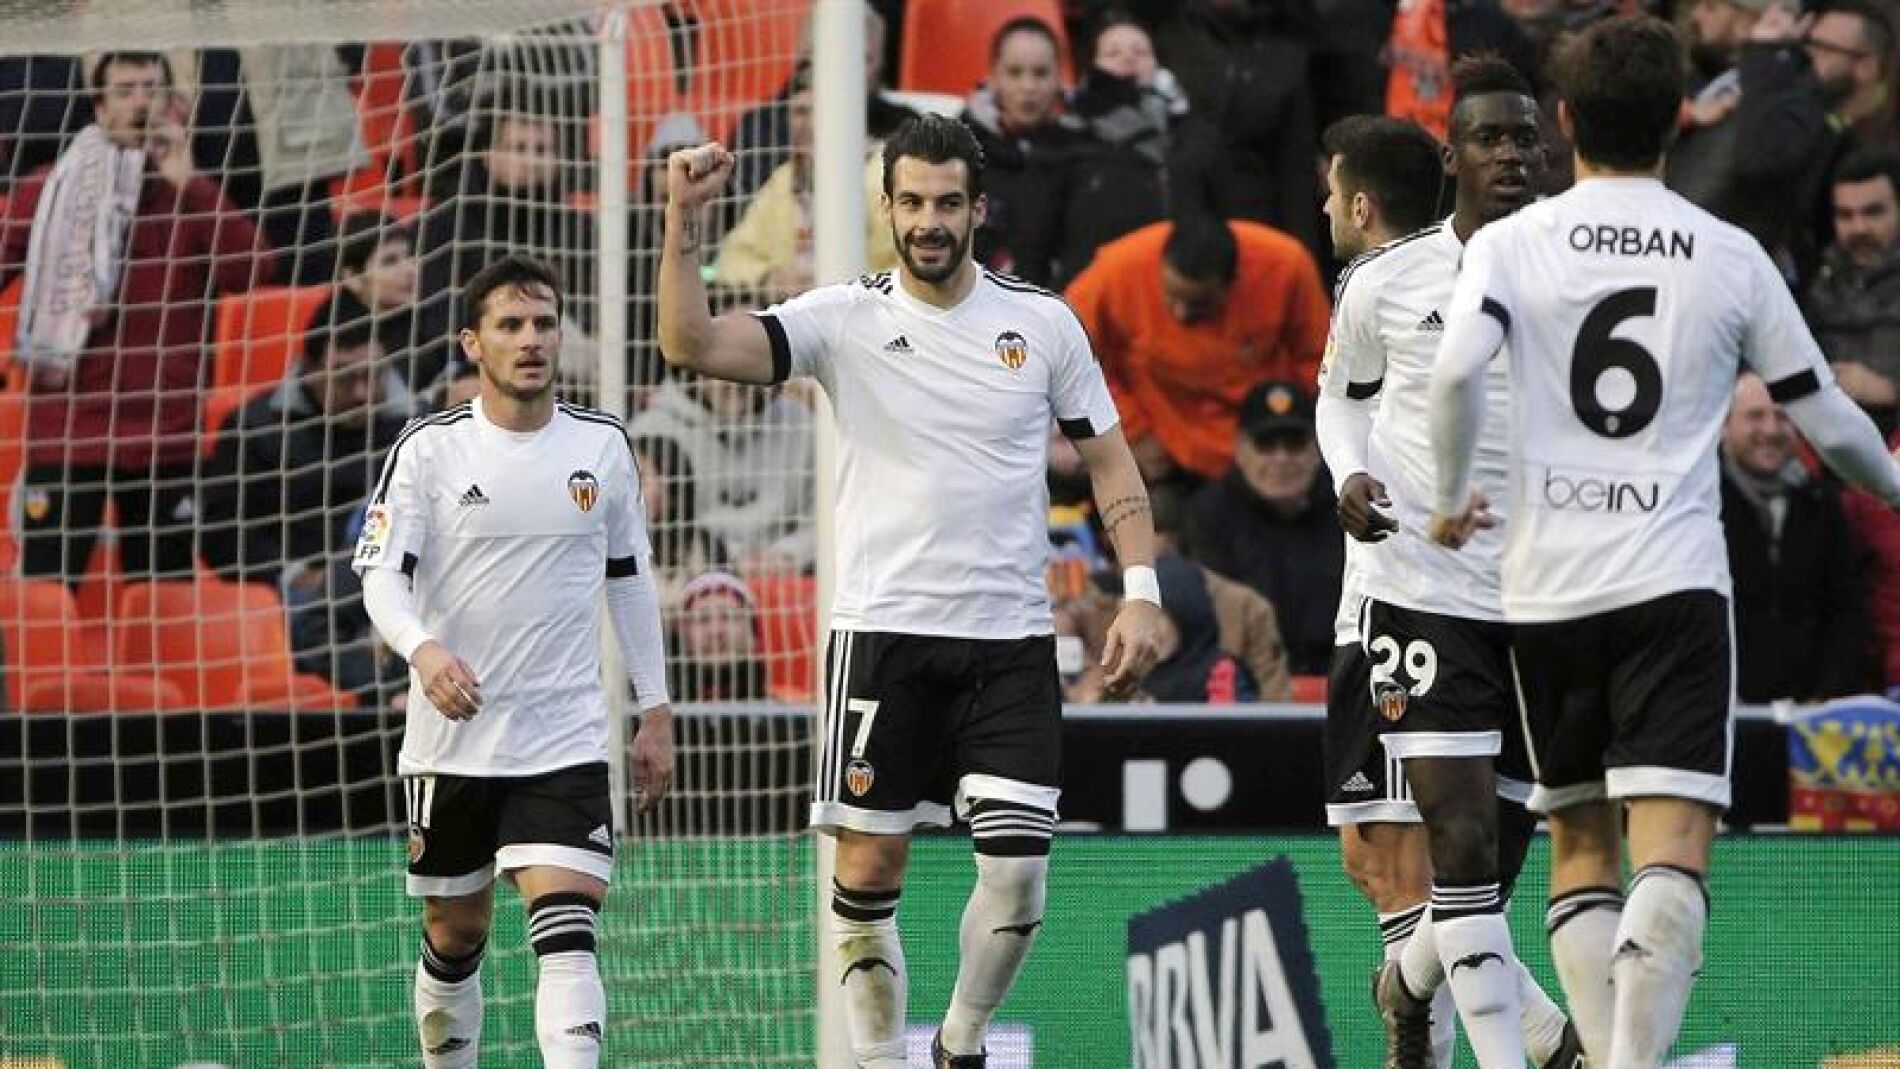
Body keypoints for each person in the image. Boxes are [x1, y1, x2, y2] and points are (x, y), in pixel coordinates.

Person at [1427, 17, 1900, 1068]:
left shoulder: (1509, 242)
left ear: (1560, 124)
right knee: (1671, 850)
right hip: (1674, 579)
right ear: (1682, 118)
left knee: (1582, 846)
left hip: (1544, 585)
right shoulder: (1727, 253)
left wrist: (1456, 493)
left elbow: (1456, 374)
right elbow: (1824, 419)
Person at [657, 114, 1167, 1069]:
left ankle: (960, 1045)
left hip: (1010, 642)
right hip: (881, 638)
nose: (929, 221)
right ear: (887, 208)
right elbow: (688, 343)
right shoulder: (842, 317)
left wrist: (1139, 587)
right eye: (911, 203)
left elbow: (1109, 460)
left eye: (946, 203)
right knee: (867, 869)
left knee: (1018, 880)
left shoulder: (1043, 323)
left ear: (977, 208)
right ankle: (882, 1057)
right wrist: (685, 224)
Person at [1315, 70, 1582, 1068]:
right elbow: (1340, 399)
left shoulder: (1578, 271)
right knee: (1444, 845)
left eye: (1527, 140)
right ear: (1451, 159)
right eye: (1491, 140)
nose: (1512, 156)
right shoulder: (1386, 281)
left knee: (1486, 874)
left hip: (1546, 597)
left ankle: (1404, 984)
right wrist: (1350, 471)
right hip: (1417, 593)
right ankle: (1541, 1056)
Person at [355, 255, 676, 1069]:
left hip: (563, 735)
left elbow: (630, 580)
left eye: (543, 323)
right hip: (453, 741)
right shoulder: (428, 450)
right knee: (455, 933)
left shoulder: (602, 446)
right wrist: (424, 652)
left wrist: (657, 707)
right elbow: (382, 577)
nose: (531, 340)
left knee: (568, 929)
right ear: (473, 343)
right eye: (510, 325)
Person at [1, 50, 275, 587]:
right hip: (69, 431)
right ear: (99, 109)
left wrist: (190, 182)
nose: (140, 103)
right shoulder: (50, 188)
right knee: (44, 591)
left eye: (151, 89)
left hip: (162, 435)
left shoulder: (189, 195)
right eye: (125, 91)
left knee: (164, 597)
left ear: (172, 103)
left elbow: (254, 270)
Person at [199, 300, 409, 700]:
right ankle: (392, 697)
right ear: (309, 369)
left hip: (392, 579)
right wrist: (291, 573)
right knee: (311, 620)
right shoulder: (254, 428)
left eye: (373, 377)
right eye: (346, 379)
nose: (363, 393)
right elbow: (219, 533)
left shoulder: (413, 428)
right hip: (301, 593)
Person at [1065, 215, 1331, 486]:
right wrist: (1131, 430)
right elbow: (1067, 359)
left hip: (1265, 439)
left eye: (1199, 303)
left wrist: (1295, 429)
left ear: (1234, 283)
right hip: (1161, 445)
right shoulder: (1116, 271)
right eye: (1171, 296)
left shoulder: (1286, 266)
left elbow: (1319, 361)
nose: (1181, 313)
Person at [1719, 372, 1869, 702]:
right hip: (1722, 712)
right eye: (1755, 416)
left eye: (1782, 416)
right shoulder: (1701, 504)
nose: (1770, 430)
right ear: (1723, 425)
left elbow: (1845, 608)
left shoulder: (1822, 503)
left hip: (1809, 716)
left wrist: (1827, 695)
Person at [1180, 381, 1344, 676]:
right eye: (1265, 444)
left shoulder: (1348, 510)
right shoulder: (1211, 514)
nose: (1281, 458)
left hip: (1341, 678)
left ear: (1318, 448)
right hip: (1246, 683)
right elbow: (1217, 618)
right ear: (1241, 449)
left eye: (1294, 443)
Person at [1803, 148, 1900, 424]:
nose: (1859, 228)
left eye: (1873, 213)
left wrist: (1890, 391)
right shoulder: (1818, 282)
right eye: (1845, 215)